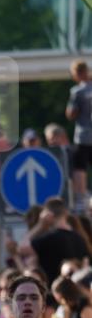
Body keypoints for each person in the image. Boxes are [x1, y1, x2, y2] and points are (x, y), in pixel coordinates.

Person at [17, 197, 89, 285]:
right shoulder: (80, 239)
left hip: (51, 291)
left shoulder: (47, 239)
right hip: (74, 292)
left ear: (48, 215)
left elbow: (21, 248)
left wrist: (40, 225)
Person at [65, 59, 92, 214]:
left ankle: (81, 199)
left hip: (83, 135)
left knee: (79, 167)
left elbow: (71, 113)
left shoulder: (78, 91)